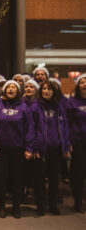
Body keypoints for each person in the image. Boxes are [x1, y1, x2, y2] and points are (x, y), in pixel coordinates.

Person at [0, 80, 34, 219]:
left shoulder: (24, 107)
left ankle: (16, 207)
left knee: (17, 179)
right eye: (8, 87)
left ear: (18, 91)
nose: (10, 89)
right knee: (1, 178)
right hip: (2, 148)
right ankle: (2, 206)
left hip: (18, 149)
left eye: (13, 87)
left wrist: (29, 148)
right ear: (4, 90)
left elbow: (30, 128)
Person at [32, 80, 70, 216]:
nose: (46, 91)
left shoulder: (59, 107)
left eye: (49, 89)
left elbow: (64, 127)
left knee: (55, 178)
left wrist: (66, 144)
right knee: (39, 179)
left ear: (54, 92)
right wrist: (34, 148)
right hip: (41, 149)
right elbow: (32, 128)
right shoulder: (36, 107)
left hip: (56, 148)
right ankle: (41, 205)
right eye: (44, 89)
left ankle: (53, 205)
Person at [67, 73, 86, 213]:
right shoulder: (71, 102)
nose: (85, 85)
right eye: (82, 82)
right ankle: (78, 201)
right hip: (78, 141)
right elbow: (66, 123)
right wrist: (68, 141)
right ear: (78, 86)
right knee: (78, 173)